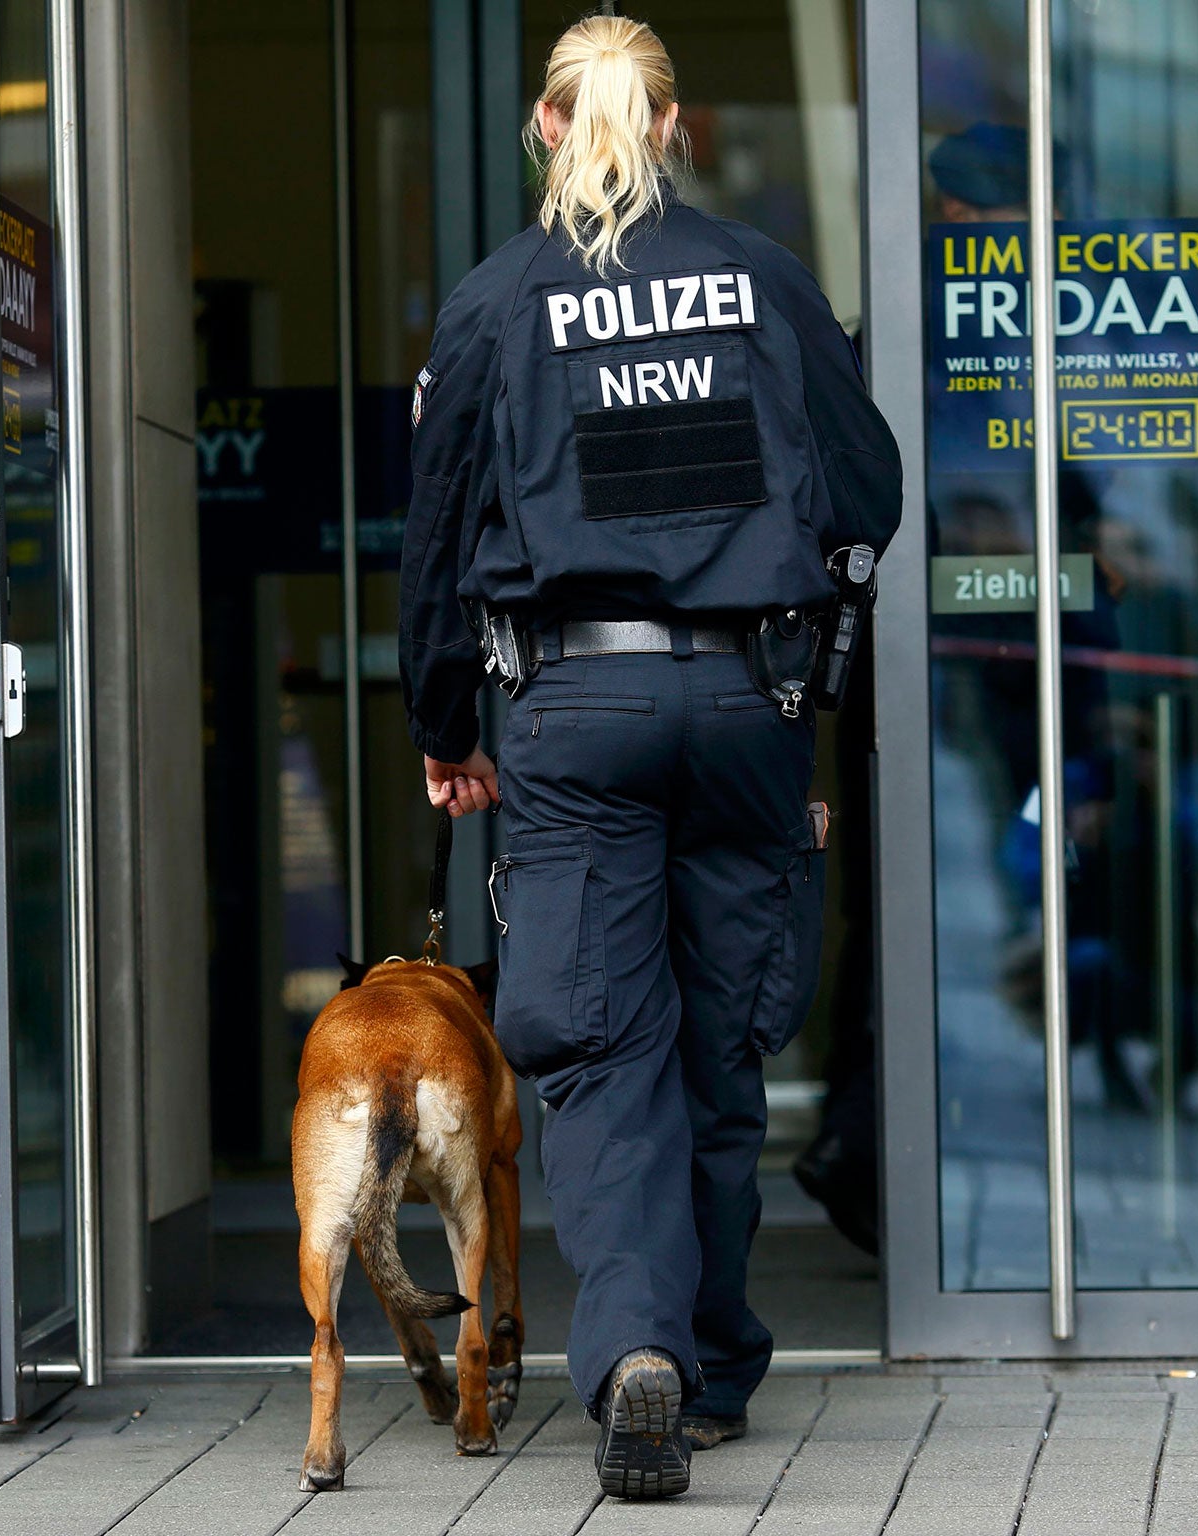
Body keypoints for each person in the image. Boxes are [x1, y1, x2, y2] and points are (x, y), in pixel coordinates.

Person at [398, 16, 901, 1500]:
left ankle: (637, 1356)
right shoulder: (765, 279)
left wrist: (443, 728)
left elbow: (434, 546)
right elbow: (867, 483)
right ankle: (721, 1362)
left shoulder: (498, 301)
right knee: (714, 1037)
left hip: (569, 713)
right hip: (747, 704)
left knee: (605, 1052)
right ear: (676, 128)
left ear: (547, 128)